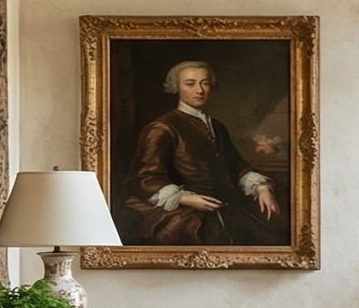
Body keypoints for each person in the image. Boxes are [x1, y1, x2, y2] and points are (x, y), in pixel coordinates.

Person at [122, 59, 285, 245]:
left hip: (225, 206)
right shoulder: (162, 128)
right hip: (188, 213)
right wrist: (185, 198)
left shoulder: (217, 126)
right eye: (190, 84)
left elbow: (236, 166)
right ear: (176, 87)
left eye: (205, 83)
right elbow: (144, 178)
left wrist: (262, 188)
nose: (199, 90)